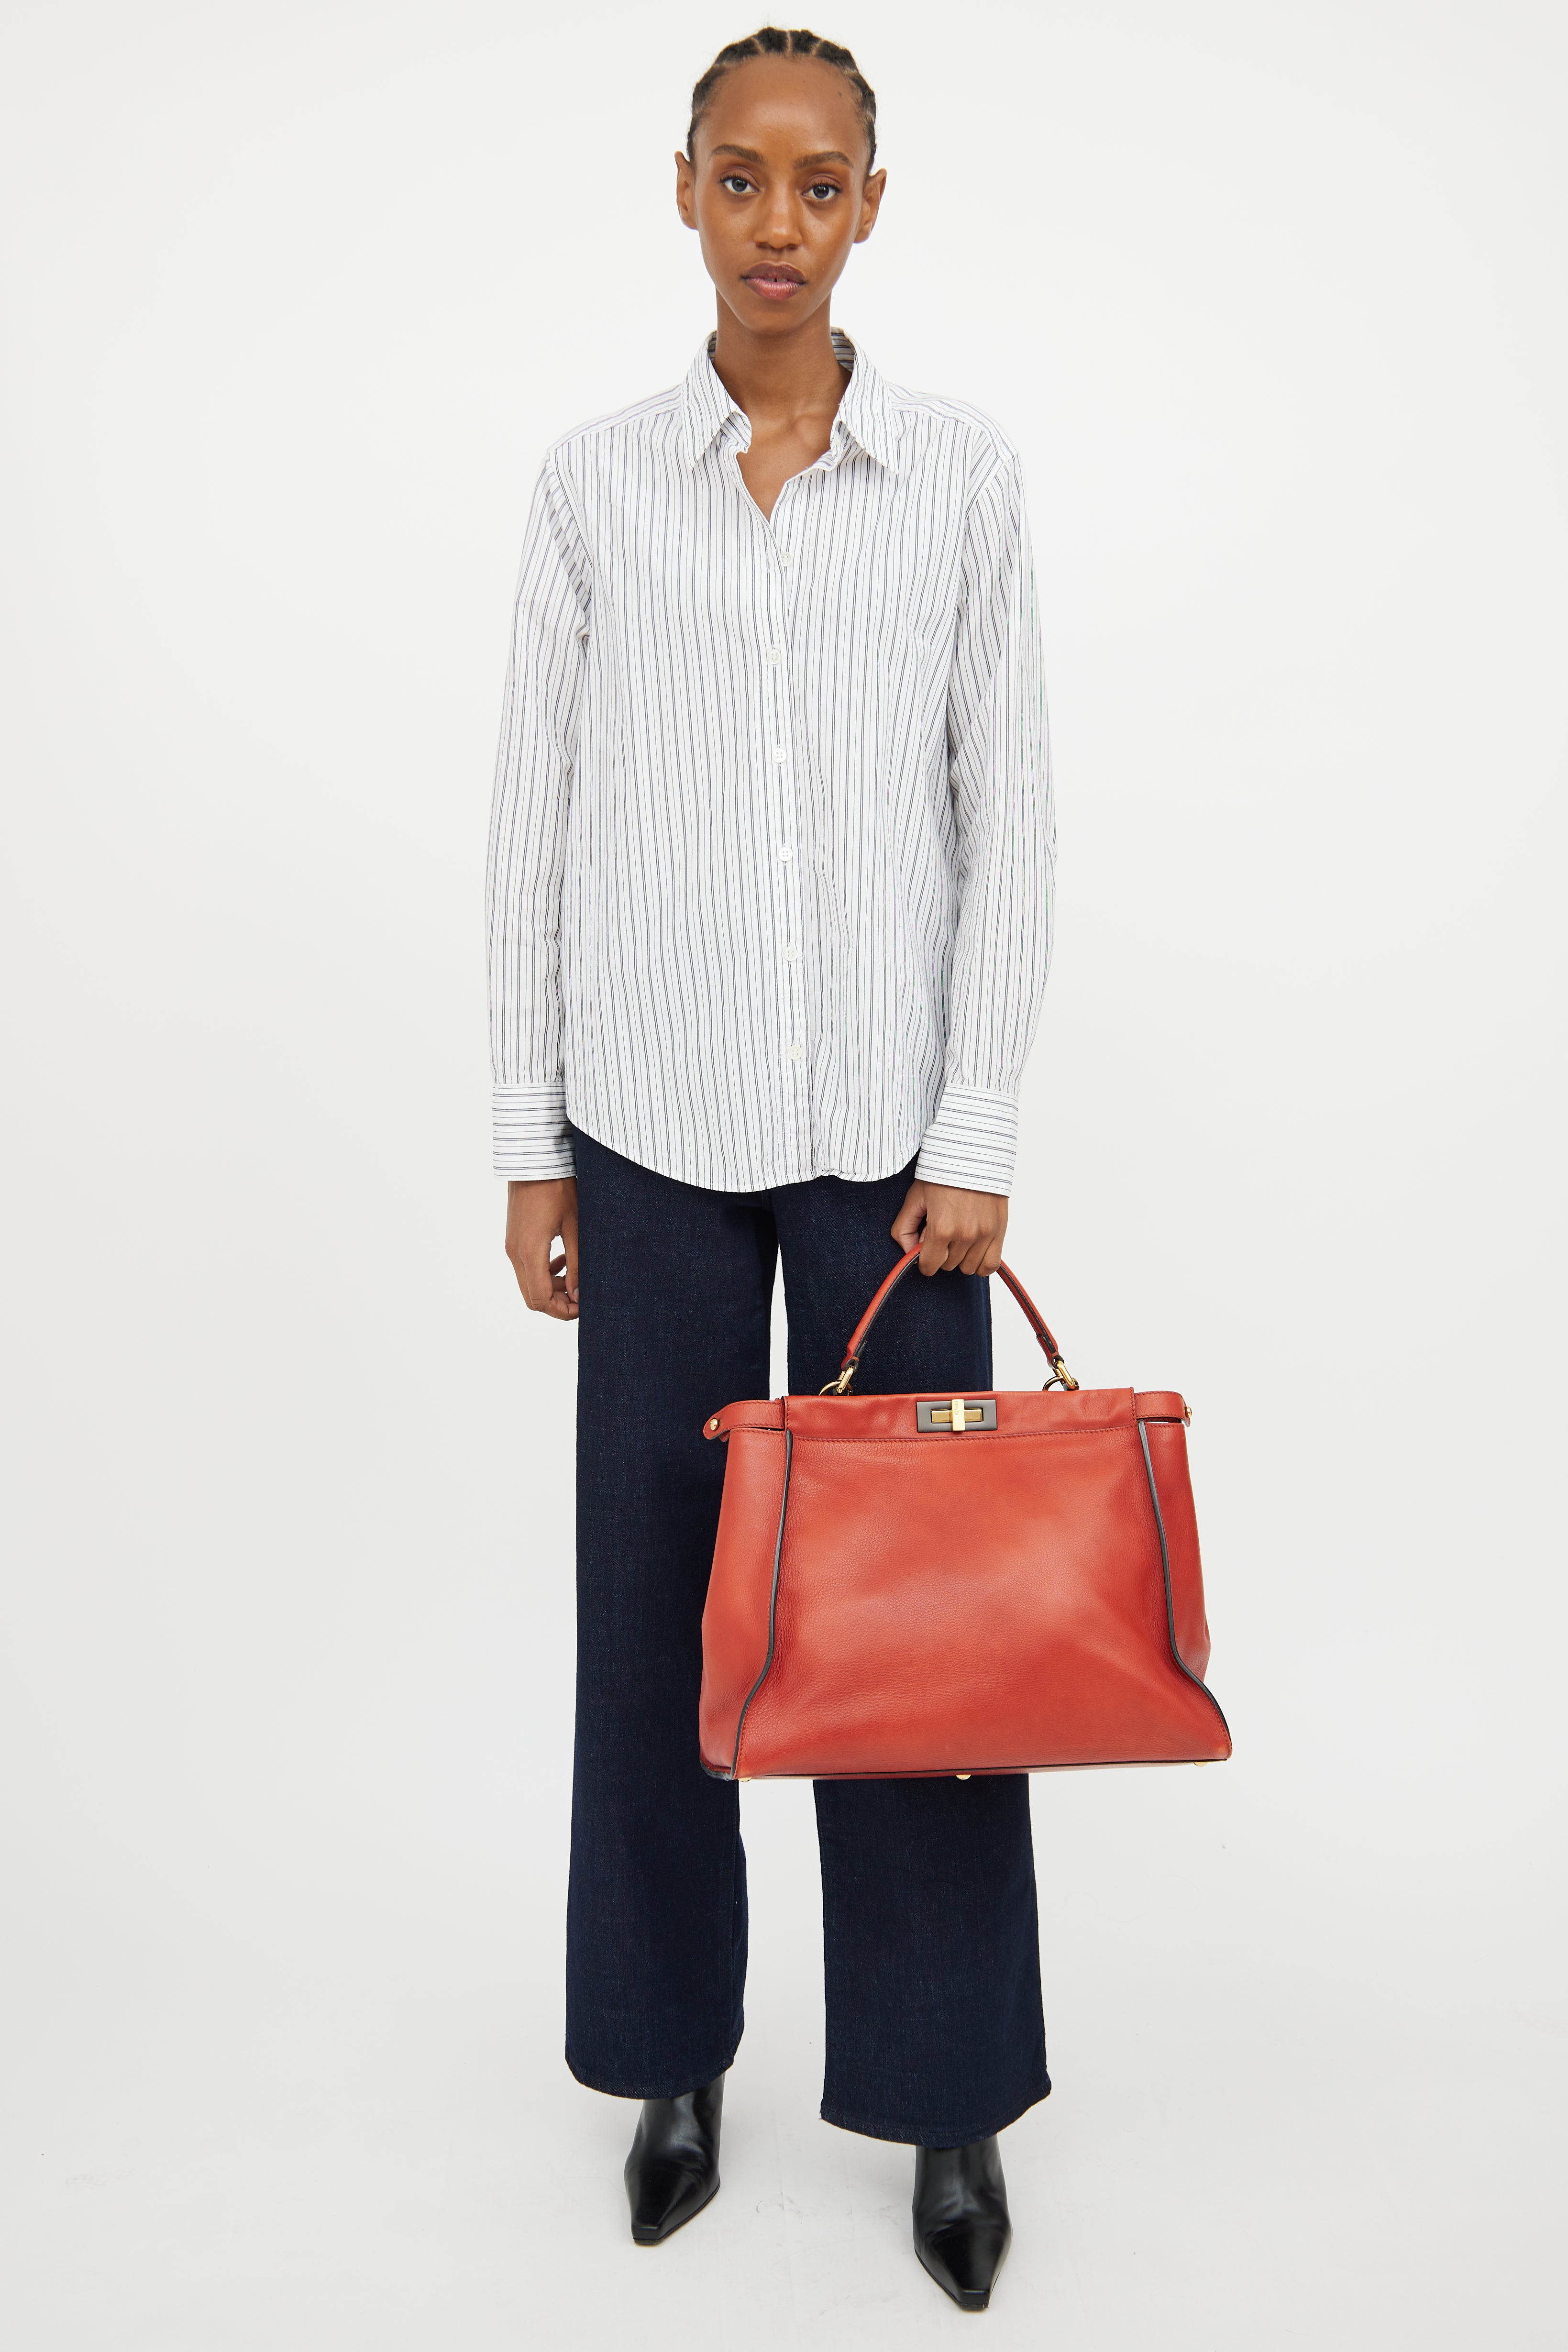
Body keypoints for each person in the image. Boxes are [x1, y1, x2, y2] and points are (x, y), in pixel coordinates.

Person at [486, 24, 1055, 2313]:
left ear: (872, 208)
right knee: (657, 1606)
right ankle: (668, 2058)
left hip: (896, 1168)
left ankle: (944, 2097)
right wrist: (528, 1141)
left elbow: (1009, 818)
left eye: (821, 185)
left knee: (920, 1639)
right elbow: (530, 830)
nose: (779, 225)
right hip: (647, 1134)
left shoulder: (962, 480)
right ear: (685, 192)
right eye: (742, 178)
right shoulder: (591, 491)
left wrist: (977, 1127)